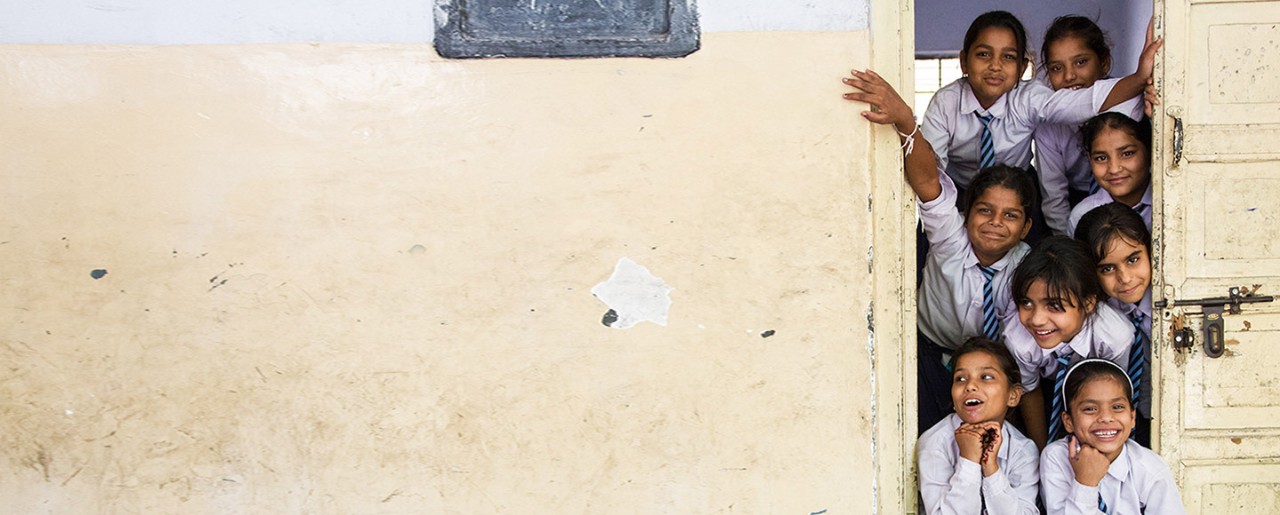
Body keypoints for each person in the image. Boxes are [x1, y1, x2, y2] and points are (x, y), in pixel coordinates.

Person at [838, 68, 1033, 433]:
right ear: (966, 213)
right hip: (929, 359)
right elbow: (928, 180)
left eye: (1010, 216)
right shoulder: (949, 237)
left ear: (1025, 229)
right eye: (985, 210)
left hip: (993, 372)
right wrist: (905, 121)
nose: (995, 222)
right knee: (926, 442)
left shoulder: (1028, 266)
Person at [1001, 236, 1130, 449]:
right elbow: (1030, 390)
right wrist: (1042, 449)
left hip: (1096, 404)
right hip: (1046, 388)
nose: (1036, 319)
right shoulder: (1019, 338)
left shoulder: (1114, 337)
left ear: (1088, 303)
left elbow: (1112, 396)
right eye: (1026, 303)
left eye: (1053, 305)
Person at [1034, 16, 1144, 236]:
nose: (1069, 75)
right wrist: (1069, 246)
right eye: (1056, 68)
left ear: (1103, 62)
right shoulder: (1049, 126)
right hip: (1077, 197)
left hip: (1129, 194)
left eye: (1081, 62)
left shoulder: (1130, 104)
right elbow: (1054, 197)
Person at [1040, 359, 1186, 514]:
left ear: (1132, 418)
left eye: (1117, 407)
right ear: (1068, 421)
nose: (1106, 417)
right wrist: (1086, 483)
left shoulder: (1150, 467)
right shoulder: (1056, 458)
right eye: (1090, 409)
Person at [918, 337, 1040, 515]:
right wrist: (968, 462)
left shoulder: (1023, 450)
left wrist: (991, 468)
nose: (970, 386)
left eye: (986, 377)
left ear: (1013, 396)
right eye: (960, 379)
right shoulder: (935, 444)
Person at [1075, 203, 1153, 446]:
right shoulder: (1097, 316)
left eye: (1133, 260)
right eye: (1108, 268)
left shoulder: (1174, 304)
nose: (1125, 278)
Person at [1067, 113, 1153, 235]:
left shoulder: (1175, 200)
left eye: (1127, 154)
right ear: (1089, 159)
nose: (1114, 169)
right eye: (1101, 158)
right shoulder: (1082, 215)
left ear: (1150, 151)